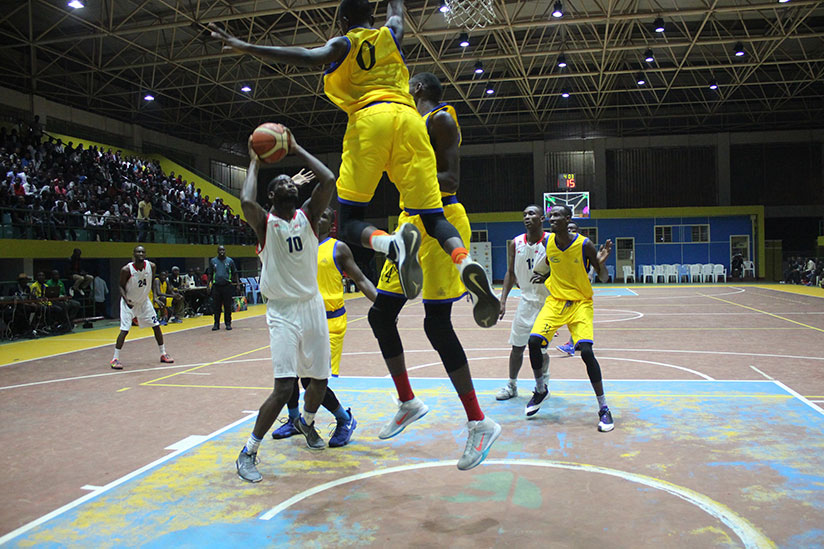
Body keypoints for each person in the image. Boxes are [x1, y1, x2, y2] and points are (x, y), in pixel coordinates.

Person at [209, 0, 500, 328]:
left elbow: (307, 56)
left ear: (343, 19)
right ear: (373, 17)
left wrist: (246, 46)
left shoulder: (344, 42)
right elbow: (397, 12)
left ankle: (391, 244)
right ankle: (464, 262)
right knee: (433, 218)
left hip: (369, 119)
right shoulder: (390, 33)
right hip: (408, 119)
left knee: (348, 222)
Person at [367, 72, 500, 471]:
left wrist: (405, 176)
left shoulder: (440, 118)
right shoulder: (407, 127)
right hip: (410, 222)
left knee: (436, 326)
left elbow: (452, 179)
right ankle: (408, 401)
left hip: (441, 216)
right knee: (380, 314)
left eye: (409, 87)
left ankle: (480, 423)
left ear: (419, 90)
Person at [234, 129, 338, 483]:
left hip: (311, 305)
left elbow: (327, 178)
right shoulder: (266, 223)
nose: (289, 184)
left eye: (291, 183)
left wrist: (296, 148)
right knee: (283, 387)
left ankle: (306, 423)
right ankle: (248, 451)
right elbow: (246, 202)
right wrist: (253, 161)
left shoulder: (309, 216)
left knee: (319, 382)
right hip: (282, 312)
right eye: (281, 182)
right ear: (272, 194)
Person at [270, 205, 376, 447]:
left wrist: (381, 306)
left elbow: (360, 279)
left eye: (324, 216)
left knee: (312, 380)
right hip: (299, 319)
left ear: (332, 224)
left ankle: (344, 418)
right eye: (316, 215)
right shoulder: (298, 245)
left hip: (330, 322)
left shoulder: (338, 249)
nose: (319, 220)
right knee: (292, 375)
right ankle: (295, 420)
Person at [527, 205, 615, 432]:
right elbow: (550, 264)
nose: (552, 218)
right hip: (555, 301)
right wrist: (541, 274)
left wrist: (602, 263)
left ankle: (604, 407)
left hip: (580, 303)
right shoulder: (547, 243)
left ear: (568, 218)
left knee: (586, 351)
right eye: (550, 215)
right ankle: (540, 389)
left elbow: (604, 278)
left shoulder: (584, 244)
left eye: (557, 215)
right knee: (534, 342)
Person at [496, 205, 550, 400]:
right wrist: (502, 301)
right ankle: (512, 386)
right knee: (517, 347)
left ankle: (543, 383)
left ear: (542, 218)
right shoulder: (516, 243)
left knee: (540, 349)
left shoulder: (550, 241)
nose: (527, 217)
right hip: (526, 301)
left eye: (532, 214)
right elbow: (510, 273)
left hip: (547, 303)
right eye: (525, 214)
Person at [110, 245, 174, 370]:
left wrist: (154, 297)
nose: (140, 253)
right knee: (125, 330)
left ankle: (163, 353)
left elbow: (149, 283)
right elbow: (120, 286)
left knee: (156, 327)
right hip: (129, 303)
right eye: (138, 252)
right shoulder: (126, 270)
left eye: (142, 252)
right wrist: (125, 299)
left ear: (145, 254)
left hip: (144, 302)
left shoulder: (151, 266)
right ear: (133, 254)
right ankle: (115, 358)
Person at [555, 222, 597, 357]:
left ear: (578, 231)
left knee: (575, 315)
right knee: (572, 316)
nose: (570, 231)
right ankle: (578, 341)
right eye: (568, 229)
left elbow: (595, 262)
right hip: (566, 287)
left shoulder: (583, 245)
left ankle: (572, 344)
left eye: (573, 229)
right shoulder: (561, 246)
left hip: (579, 287)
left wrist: (590, 275)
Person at [207, 245, 239, 331]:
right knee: (216, 306)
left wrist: (238, 284)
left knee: (227, 306)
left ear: (225, 251)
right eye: (220, 250)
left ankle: (228, 323)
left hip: (227, 286)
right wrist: (208, 286)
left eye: (223, 250)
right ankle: (216, 324)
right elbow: (210, 274)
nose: (222, 251)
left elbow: (235, 273)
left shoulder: (230, 261)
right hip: (216, 286)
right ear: (217, 251)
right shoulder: (213, 261)